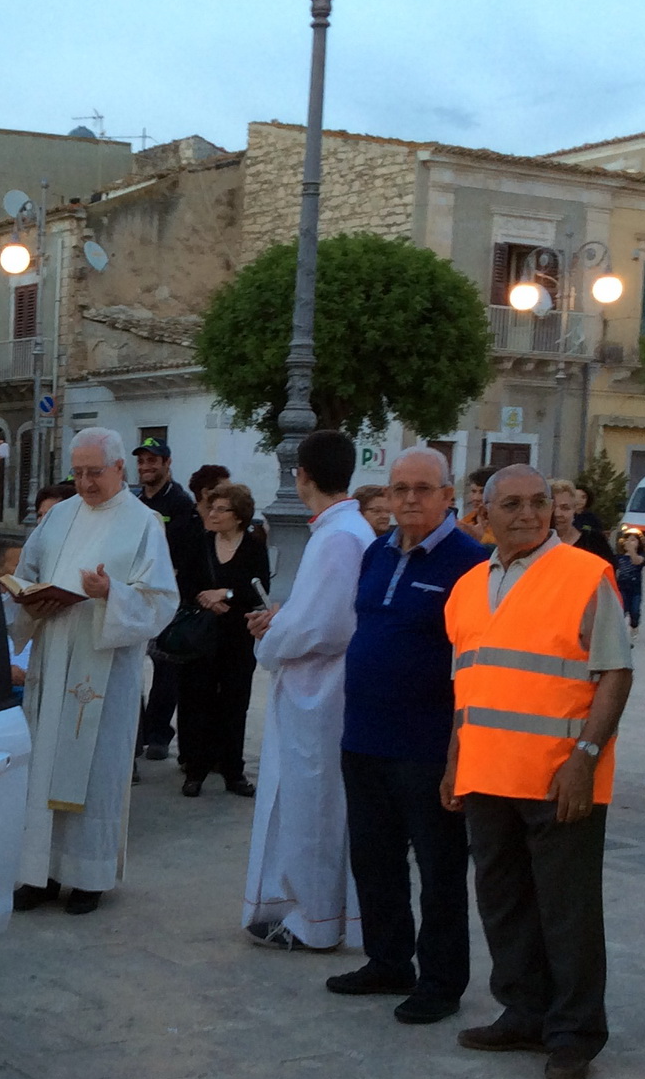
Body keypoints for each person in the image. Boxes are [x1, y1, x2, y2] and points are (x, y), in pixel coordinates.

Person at [443, 463, 634, 1079]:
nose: (528, 514)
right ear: (483, 515)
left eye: (539, 503)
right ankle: (522, 1012)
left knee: (567, 912)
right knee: (503, 903)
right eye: (512, 504)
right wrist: (454, 761)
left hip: (560, 779)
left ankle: (574, 1034)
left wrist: (584, 758)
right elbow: (466, 686)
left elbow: (615, 673)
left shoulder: (586, 574)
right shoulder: (468, 585)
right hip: (487, 774)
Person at [331, 446, 488, 1020]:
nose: (410, 499)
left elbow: (474, 664)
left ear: (449, 496)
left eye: (423, 489)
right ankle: (387, 961)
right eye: (400, 489)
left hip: (428, 747)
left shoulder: (471, 564)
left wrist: (457, 753)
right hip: (365, 736)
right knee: (374, 860)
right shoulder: (375, 552)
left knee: (440, 868)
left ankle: (441, 982)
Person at [9, 427, 177, 916]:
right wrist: (28, 594)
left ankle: (88, 875)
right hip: (54, 653)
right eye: (77, 473)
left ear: (119, 468)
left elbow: (161, 600)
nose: (84, 483)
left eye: (94, 473)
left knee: (96, 769)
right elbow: (33, 566)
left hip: (103, 666)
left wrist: (111, 595)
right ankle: (37, 873)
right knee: (44, 767)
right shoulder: (60, 515)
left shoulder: (144, 523)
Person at [240, 430, 375, 950]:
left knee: (313, 806)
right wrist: (285, 618)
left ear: (301, 476)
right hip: (319, 685)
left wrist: (272, 637)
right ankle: (307, 910)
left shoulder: (340, 536)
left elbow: (325, 625)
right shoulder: (343, 529)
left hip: (322, 692)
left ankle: (313, 922)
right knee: (311, 803)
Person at [177, 482, 269, 797]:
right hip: (201, 635)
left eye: (221, 509)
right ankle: (195, 771)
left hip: (237, 637)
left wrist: (225, 593)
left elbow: (257, 590)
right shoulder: (199, 542)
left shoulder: (255, 546)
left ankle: (234, 771)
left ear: (239, 516)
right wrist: (206, 598)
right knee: (197, 701)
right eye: (212, 508)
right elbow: (185, 584)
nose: (213, 514)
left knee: (234, 703)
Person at [134, 437, 202, 763]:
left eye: (153, 461)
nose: (147, 467)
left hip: (167, 598)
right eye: (142, 461)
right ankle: (137, 732)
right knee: (131, 666)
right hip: (134, 595)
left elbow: (186, 555)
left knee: (165, 668)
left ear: (167, 463)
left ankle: (159, 734)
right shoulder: (134, 502)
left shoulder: (180, 503)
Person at [550, 478, 616, 563]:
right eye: (553, 507)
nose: (557, 514)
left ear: (575, 509)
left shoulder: (594, 541)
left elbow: (608, 571)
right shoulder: (536, 544)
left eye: (565, 508)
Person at [613, 532, 645, 629]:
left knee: (635, 611)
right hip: (622, 588)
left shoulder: (641, 556)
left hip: (635, 590)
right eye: (627, 540)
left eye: (633, 540)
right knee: (622, 611)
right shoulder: (619, 557)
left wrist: (631, 550)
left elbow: (636, 561)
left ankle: (634, 627)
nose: (630, 542)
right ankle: (621, 632)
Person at [460, 464, 498, 546]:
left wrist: (481, 537)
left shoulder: (506, 524)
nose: (476, 498)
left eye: (482, 492)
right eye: (473, 491)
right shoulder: (465, 522)